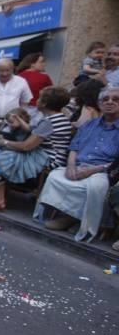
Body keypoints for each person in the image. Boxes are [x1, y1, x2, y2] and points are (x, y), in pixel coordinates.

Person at [35, 86, 119, 241]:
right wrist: (71, 165)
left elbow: (116, 163)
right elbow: (74, 147)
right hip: (79, 164)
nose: (110, 102)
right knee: (55, 176)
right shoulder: (89, 125)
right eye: (105, 99)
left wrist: (93, 170)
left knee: (95, 186)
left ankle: (87, 225)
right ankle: (69, 216)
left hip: (105, 170)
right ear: (99, 104)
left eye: (115, 99)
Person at [0, 87, 72, 211]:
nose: (36, 100)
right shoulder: (61, 119)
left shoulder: (48, 122)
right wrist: (20, 120)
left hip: (47, 159)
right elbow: (34, 131)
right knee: (2, 154)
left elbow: (27, 146)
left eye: (39, 98)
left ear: (44, 103)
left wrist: (4, 141)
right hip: (55, 157)